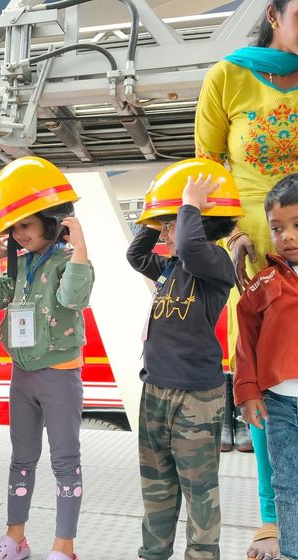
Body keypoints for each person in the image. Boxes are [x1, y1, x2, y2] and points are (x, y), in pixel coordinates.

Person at [195, 0, 298, 554]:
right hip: (257, 254)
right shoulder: (228, 76)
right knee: (267, 383)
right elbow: (208, 168)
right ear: (274, 15)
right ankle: (274, 516)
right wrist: (231, 235)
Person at [127, 158, 243, 560]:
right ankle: (154, 552)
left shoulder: (216, 263)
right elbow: (135, 254)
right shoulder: (171, 267)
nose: (164, 233)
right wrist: (157, 215)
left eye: (170, 224)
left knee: (199, 487)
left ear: (199, 222)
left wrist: (189, 204)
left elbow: (193, 246)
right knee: (156, 483)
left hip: (196, 396)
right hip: (155, 389)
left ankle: (202, 554)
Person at [0, 156, 94, 560]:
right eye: (14, 228)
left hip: (60, 375)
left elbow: (73, 299)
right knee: (21, 458)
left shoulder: (71, 262)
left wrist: (80, 247)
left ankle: (64, 546)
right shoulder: (20, 264)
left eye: (25, 225)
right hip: (22, 375)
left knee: (65, 460)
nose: (18, 234)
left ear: (52, 221)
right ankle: (16, 538)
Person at [234, 173, 298, 560]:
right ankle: (291, 551)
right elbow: (246, 342)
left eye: (297, 225)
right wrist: (247, 392)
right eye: (277, 228)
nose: (287, 236)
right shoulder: (265, 283)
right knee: (286, 482)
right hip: (279, 406)